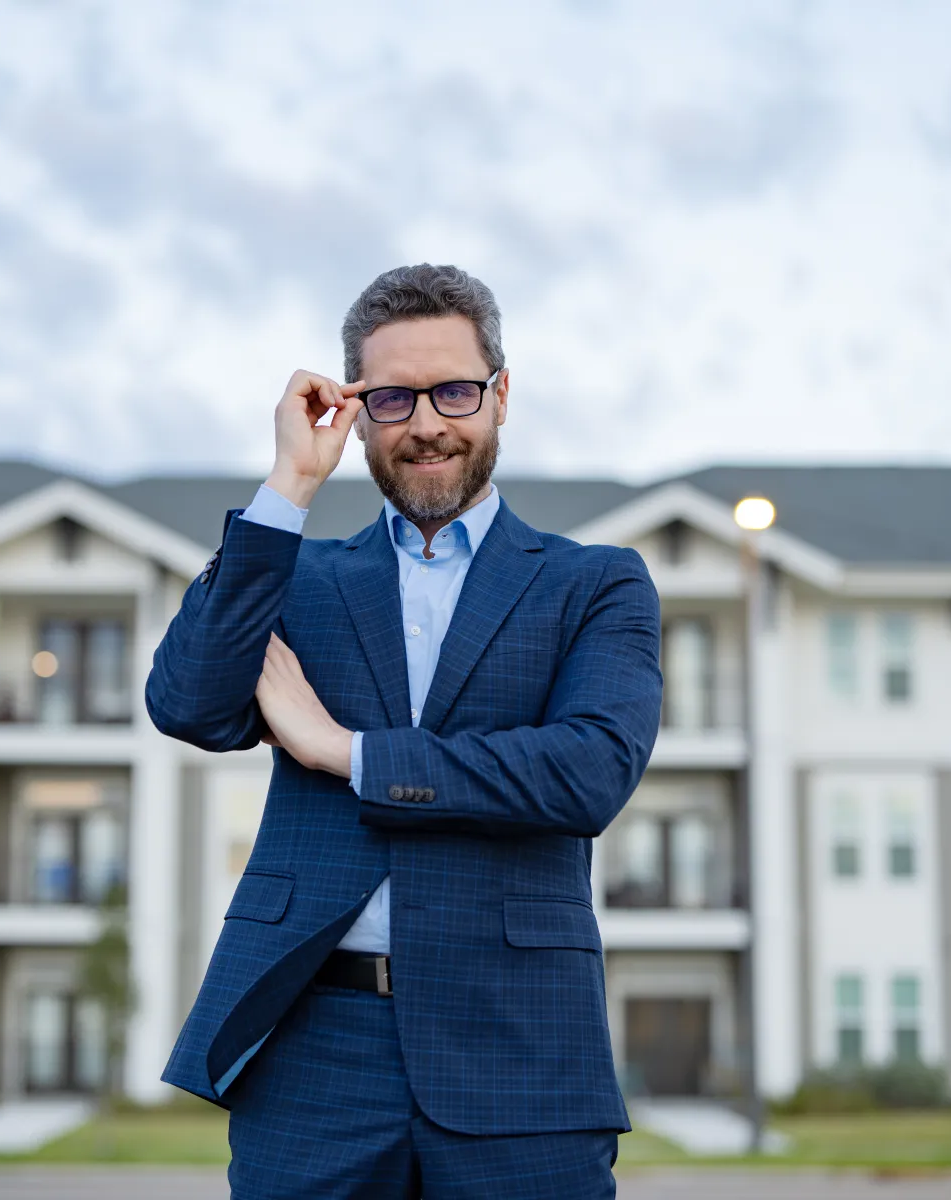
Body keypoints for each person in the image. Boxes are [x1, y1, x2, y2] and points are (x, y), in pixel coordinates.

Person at [146, 263, 663, 1198]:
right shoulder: (296, 581)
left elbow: (589, 772)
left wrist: (345, 751)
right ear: (358, 410)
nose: (427, 423)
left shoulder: (596, 584)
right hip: (316, 1051)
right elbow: (187, 703)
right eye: (393, 397)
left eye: (455, 391)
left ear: (501, 396)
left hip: (521, 1045)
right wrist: (288, 485)